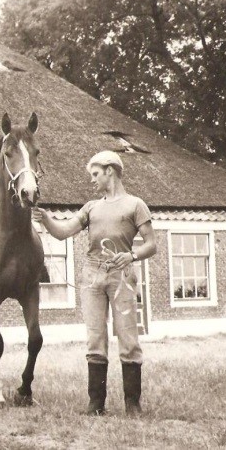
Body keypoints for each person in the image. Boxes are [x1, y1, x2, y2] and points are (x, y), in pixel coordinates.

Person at [32, 150, 157, 415]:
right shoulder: (91, 207)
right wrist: (45, 218)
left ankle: (132, 404)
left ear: (110, 170)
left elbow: (151, 245)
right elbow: (63, 232)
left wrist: (131, 255)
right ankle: (96, 404)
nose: (92, 180)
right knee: (95, 338)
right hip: (92, 276)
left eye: (95, 174)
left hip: (121, 275)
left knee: (128, 337)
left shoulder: (136, 205)